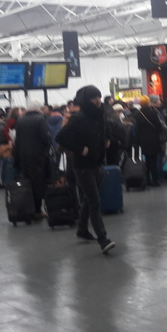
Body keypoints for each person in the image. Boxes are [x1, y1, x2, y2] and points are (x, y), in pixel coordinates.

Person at [56, 85, 116, 254]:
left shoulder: (100, 115)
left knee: (90, 200)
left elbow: (105, 129)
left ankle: (82, 229)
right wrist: (80, 149)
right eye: (93, 98)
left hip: (97, 163)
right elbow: (60, 137)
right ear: (86, 100)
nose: (97, 100)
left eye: (98, 96)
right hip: (82, 167)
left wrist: (107, 139)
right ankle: (103, 239)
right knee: (95, 201)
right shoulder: (79, 118)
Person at [14, 100, 52, 219]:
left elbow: (17, 140)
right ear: (38, 108)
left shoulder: (20, 120)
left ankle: (29, 209)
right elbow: (45, 137)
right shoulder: (41, 119)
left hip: (23, 156)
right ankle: (38, 210)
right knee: (39, 182)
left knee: (28, 182)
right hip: (38, 156)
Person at [133, 95, 164, 186]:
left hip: (143, 141)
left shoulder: (137, 114)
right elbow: (159, 126)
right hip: (154, 140)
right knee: (154, 161)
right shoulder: (154, 113)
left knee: (146, 161)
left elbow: (137, 129)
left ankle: (147, 180)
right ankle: (155, 180)